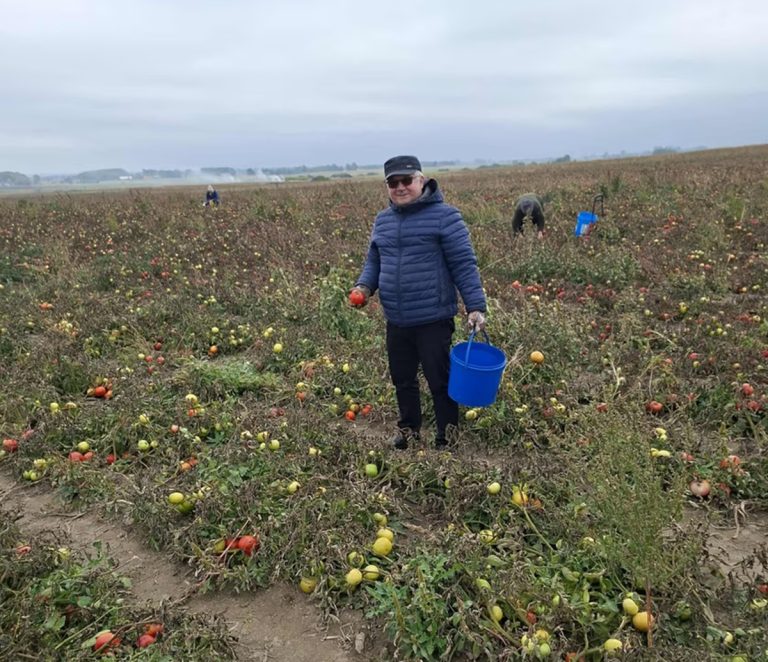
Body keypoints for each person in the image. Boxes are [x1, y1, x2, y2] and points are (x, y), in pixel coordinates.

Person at [349, 155, 487, 450]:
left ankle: (447, 437)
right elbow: (374, 259)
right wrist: (364, 286)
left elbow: (464, 264)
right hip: (396, 318)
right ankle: (409, 430)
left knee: (439, 380)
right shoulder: (383, 220)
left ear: (421, 180)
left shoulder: (445, 216)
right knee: (403, 379)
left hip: (433, 317)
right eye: (392, 182)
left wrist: (475, 306)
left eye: (406, 180)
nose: (400, 187)